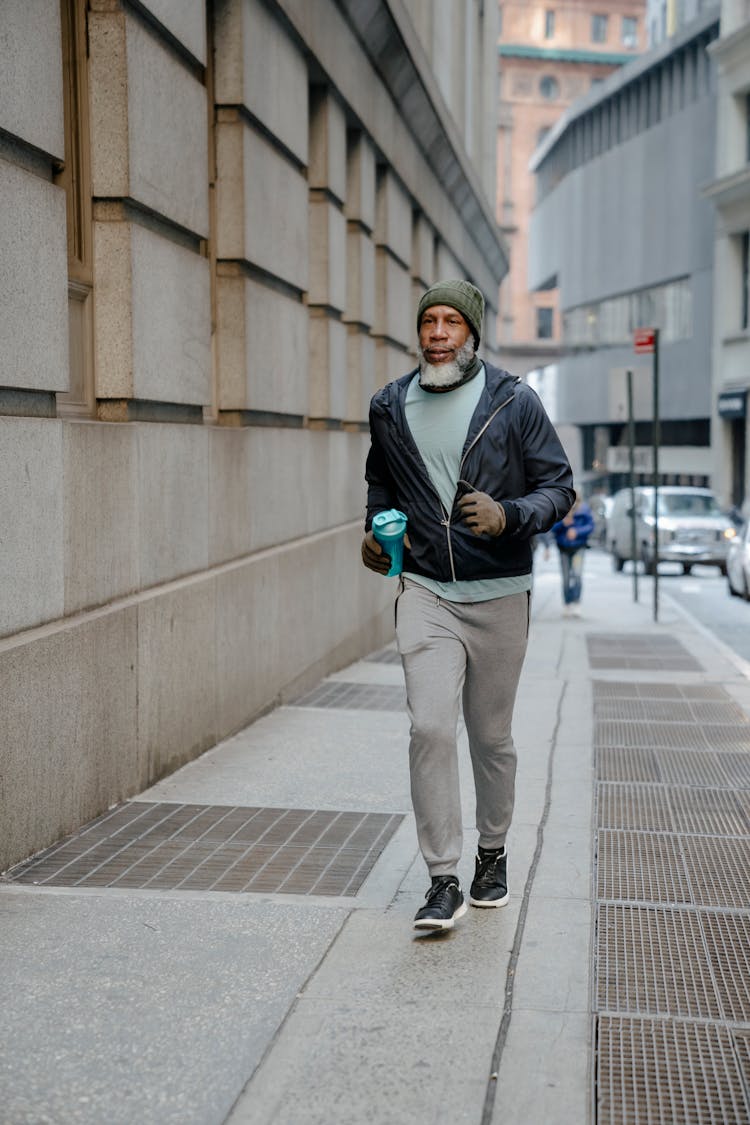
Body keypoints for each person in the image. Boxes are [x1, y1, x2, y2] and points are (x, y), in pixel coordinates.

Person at [361, 279, 575, 932]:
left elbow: (559, 487)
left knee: (490, 737)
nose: (438, 331)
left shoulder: (514, 401)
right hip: (425, 590)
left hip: (499, 594)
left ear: (472, 333)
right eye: (429, 320)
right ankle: (442, 877)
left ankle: (492, 853)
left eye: (452, 320)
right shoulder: (390, 405)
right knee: (429, 727)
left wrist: (508, 514)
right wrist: (375, 533)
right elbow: (381, 482)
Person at [552, 493, 595, 617]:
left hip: (578, 548)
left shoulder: (584, 510)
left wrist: (577, 531)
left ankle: (576, 602)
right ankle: (567, 603)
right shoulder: (560, 510)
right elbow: (552, 528)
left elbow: (590, 526)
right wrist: (562, 524)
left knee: (577, 575)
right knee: (565, 578)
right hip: (563, 548)